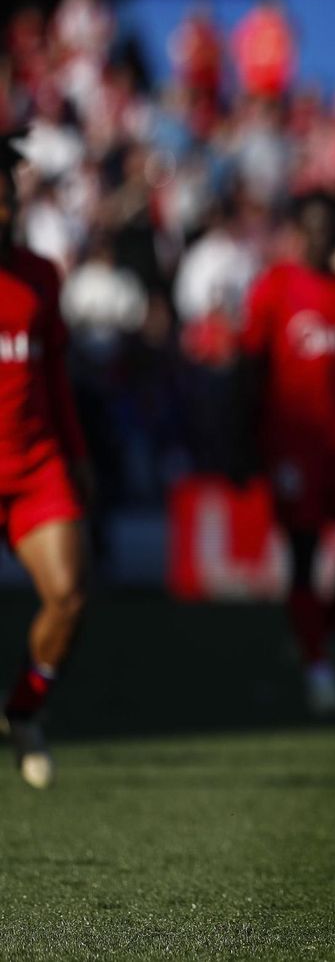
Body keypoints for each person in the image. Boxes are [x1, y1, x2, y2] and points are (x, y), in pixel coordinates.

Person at [238, 196, 335, 716]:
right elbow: (249, 369)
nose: (318, 238)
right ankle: (319, 671)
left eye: (327, 229)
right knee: (304, 554)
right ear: (295, 233)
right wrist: (243, 442)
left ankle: (315, 635)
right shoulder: (272, 288)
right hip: (292, 447)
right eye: (309, 228)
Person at [0, 136, 92, 789]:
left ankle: (25, 710)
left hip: (35, 464)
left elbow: (55, 376)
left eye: (7, 199)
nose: (2, 212)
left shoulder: (41, 275)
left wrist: (77, 453)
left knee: (68, 597)